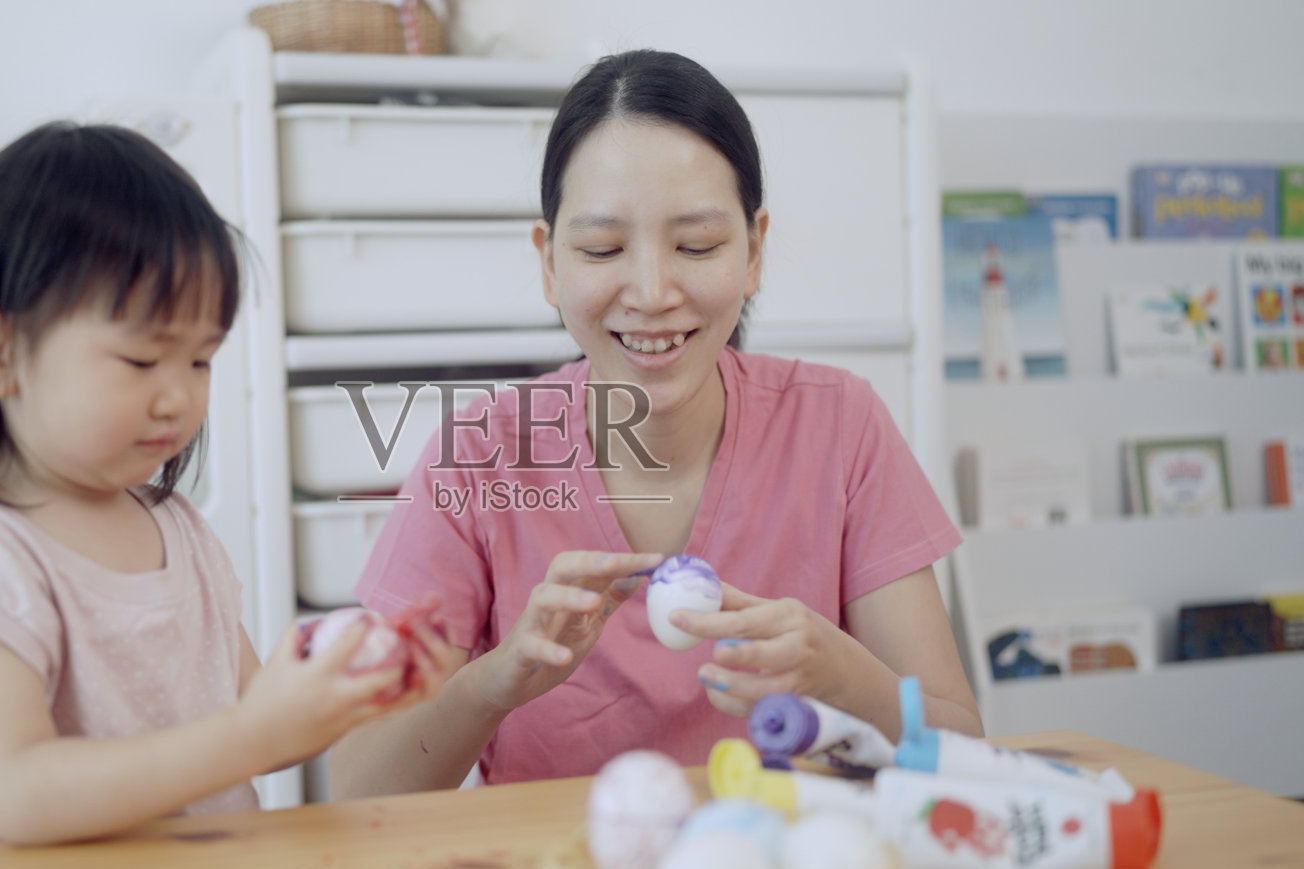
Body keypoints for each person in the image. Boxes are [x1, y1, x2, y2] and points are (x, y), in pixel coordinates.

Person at [331, 49, 982, 799]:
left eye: (696, 246)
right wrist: (493, 685)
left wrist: (846, 679)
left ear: (754, 250)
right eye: (603, 248)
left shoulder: (842, 426)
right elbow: (356, 789)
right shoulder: (478, 456)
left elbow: (963, 744)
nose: (651, 292)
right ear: (549, 263)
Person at [0, 123, 439, 845]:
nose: (178, 397)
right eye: (143, 361)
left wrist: (348, 682)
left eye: (200, 361)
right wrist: (252, 736)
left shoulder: (178, 530)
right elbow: (21, 795)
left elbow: (256, 710)